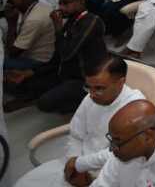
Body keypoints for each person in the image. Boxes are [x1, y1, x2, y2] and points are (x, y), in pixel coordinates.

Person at [13, 55, 145, 187]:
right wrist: (73, 163)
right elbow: (76, 134)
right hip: (78, 163)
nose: (92, 94)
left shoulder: (137, 108)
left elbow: (122, 153)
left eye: (99, 88)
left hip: (111, 175)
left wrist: (80, 165)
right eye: (88, 87)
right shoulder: (92, 97)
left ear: (121, 82)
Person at [5, 0, 106, 114]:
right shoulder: (71, 22)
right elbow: (57, 57)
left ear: (81, 2)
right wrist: (30, 72)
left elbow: (66, 53)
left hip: (84, 79)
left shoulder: (92, 21)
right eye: (60, 3)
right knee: (20, 82)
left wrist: (58, 28)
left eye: (66, 3)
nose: (61, 7)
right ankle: (38, 95)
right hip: (64, 73)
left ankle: (80, 103)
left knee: (45, 103)